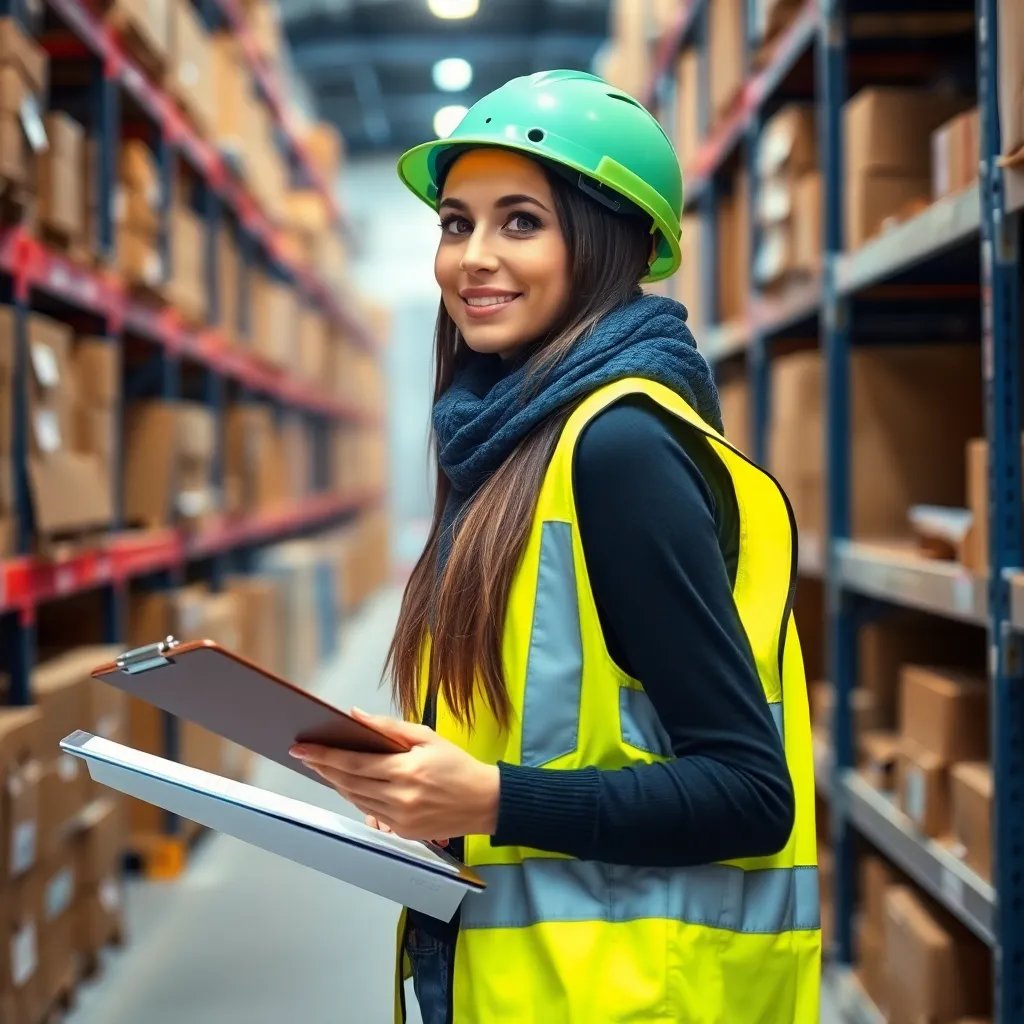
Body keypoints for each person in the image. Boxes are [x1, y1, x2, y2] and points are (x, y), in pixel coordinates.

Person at [289, 70, 821, 1023]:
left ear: (608, 242)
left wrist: (491, 799)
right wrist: (432, 786)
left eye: (520, 222)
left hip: (626, 1000)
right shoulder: (505, 438)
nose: (472, 259)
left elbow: (750, 792)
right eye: (457, 224)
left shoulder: (617, 448)